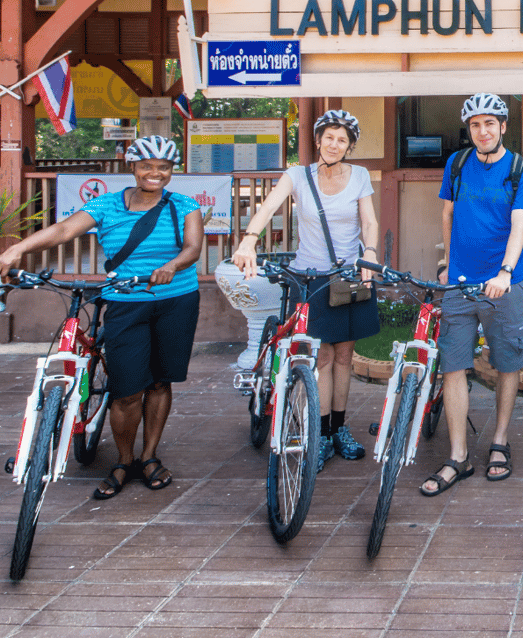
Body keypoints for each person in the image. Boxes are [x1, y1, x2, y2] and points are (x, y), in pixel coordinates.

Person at [0, 135, 203, 499]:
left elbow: (192, 248)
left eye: (163, 168)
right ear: (133, 168)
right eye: (147, 166)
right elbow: (63, 230)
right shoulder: (107, 205)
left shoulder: (184, 205)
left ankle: (149, 456)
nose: (155, 173)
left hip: (176, 300)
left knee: (159, 382)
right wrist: (18, 248)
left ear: (172, 172)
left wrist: (171, 266)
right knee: (126, 391)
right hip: (125, 303)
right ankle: (124, 461)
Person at [233, 109, 379, 473]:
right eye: (329, 137)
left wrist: (370, 255)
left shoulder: (359, 176)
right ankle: (322, 434)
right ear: (317, 140)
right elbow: (267, 208)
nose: (334, 144)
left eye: (342, 140)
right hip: (311, 277)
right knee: (324, 358)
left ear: (350, 146)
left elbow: (369, 221)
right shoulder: (298, 175)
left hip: (350, 277)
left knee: (345, 355)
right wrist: (249, 241)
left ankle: (339, 428)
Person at [420, 93, 523, 496]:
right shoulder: (458, 163)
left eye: (490, 124)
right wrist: (449, 263)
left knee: (507, 362)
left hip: (505, 283)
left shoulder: (520, 169)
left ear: (503, 126)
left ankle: (500, 440)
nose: (482, 131)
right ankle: (458, 456)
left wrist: (504, 271)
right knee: (452, 365)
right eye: (474, 125)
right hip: (460, 284)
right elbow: (448, 214)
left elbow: (519, 225)